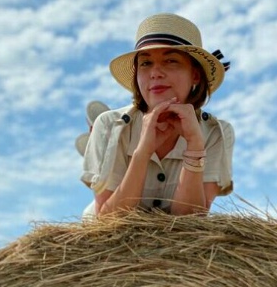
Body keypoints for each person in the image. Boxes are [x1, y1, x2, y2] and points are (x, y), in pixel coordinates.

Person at [79, 13, 234, 218]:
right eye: (146, 63)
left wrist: (195, 145)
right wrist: (142, 152)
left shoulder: (216, 133)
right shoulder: (109, 126)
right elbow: (108, 221)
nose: (155, 73)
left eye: (171, 61)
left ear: (195, 75)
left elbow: (191, 222)